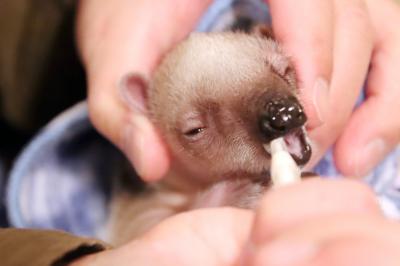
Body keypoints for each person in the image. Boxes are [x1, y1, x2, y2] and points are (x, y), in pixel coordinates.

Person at [1, 0, 400, 265]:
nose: (277, 117)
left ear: (269, 37)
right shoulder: (139, 199)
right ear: (144, 114)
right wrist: (216, 202)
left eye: (282, 71)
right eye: (196, 129)